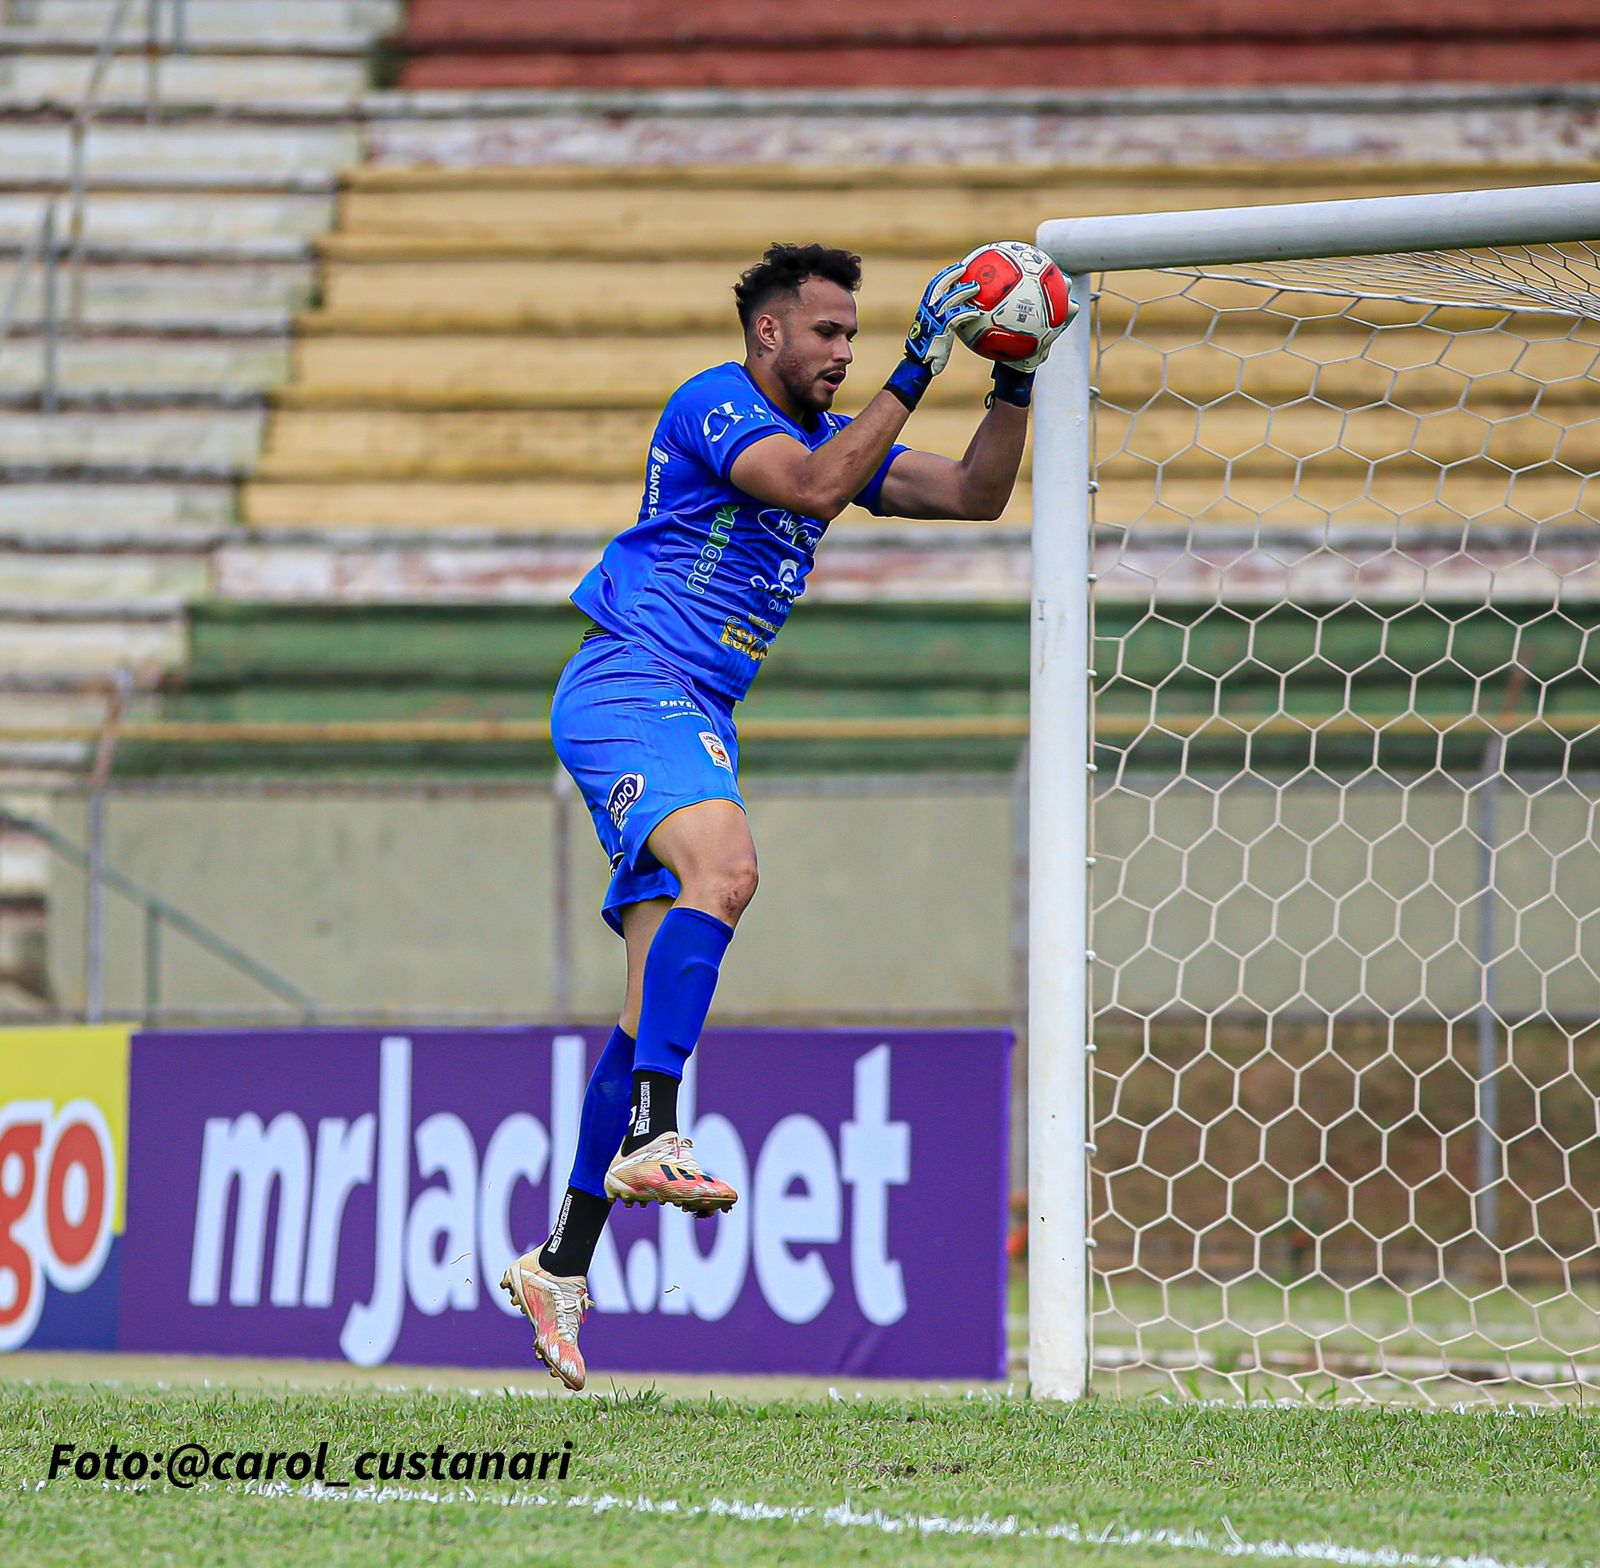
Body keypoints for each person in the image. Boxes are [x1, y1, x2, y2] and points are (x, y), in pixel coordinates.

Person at [501, 241, 1061, 1387]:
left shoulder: (834, 444)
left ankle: (560, 1258)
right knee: (729, 863)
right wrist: (918, 360)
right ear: (770, 335)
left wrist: (1012, 379)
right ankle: (657, 1133)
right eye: (829, 334)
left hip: (691, 706)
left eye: (855, 336)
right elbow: (808, 489)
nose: (843, 353)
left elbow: (974, 492)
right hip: (629, 680)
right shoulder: (715, 403)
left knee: (646, 994)